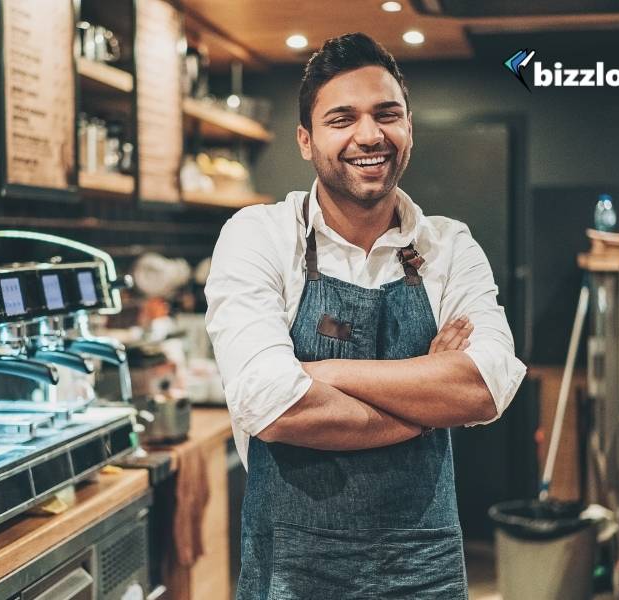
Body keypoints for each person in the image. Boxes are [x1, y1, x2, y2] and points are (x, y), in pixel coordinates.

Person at [205, 32, 527, 599]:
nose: (369, 135)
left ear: (409, 129)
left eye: (387, 114)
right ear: (305, 140)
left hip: (424, 566)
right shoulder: (259, 235)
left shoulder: (449, 246)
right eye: (341, 119)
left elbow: (486, 386)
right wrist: (424, 411)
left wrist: (320, 373)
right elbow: (273, 405)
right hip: (291, 569)